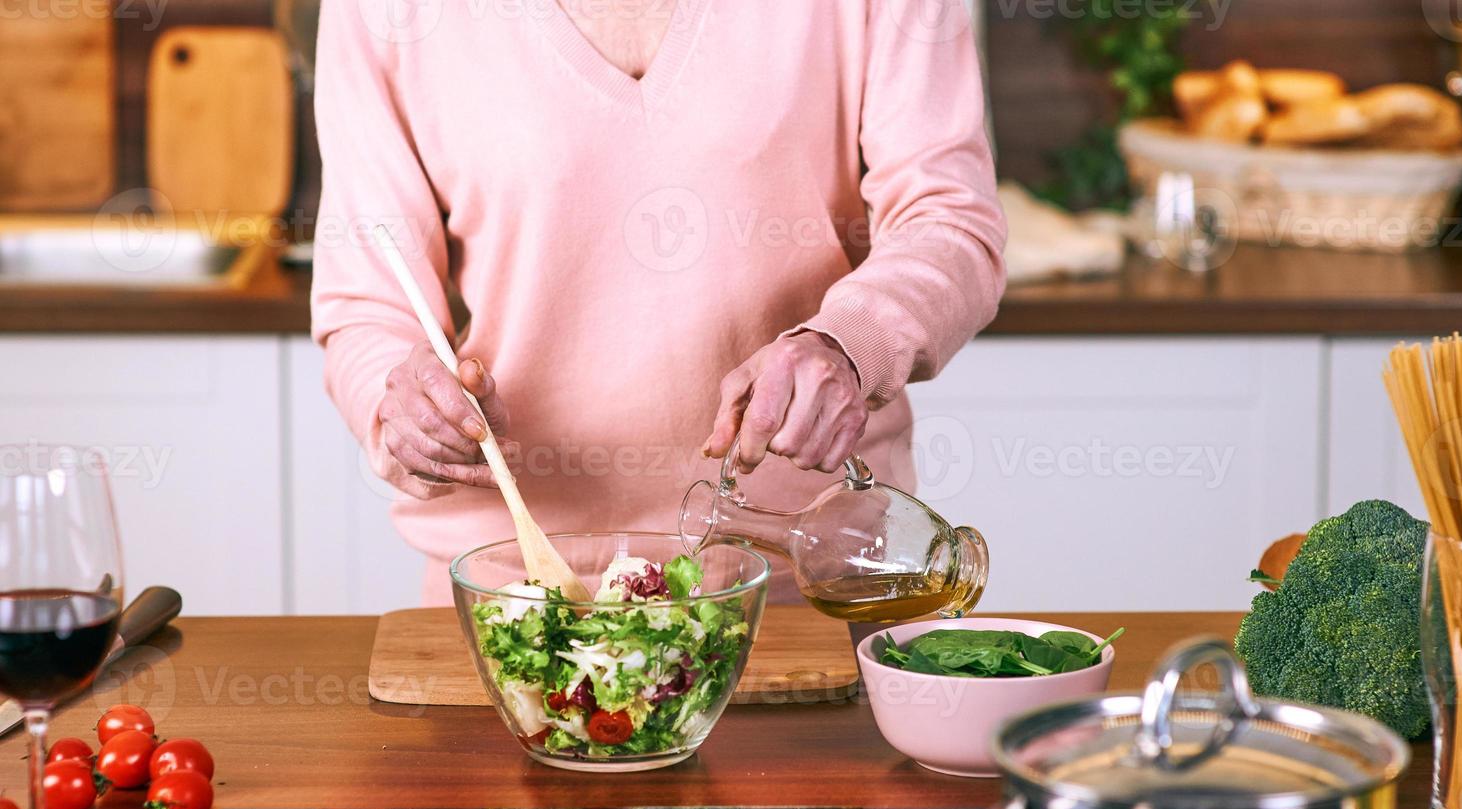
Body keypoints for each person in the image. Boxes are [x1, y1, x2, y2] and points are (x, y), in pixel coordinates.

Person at [311, 0, 1007, 605]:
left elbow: (951, 221)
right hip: (517, 591)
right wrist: (398, 403)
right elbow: (367, 305)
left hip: (817, 577)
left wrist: (850, 344)